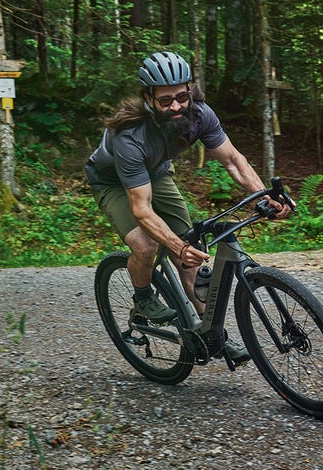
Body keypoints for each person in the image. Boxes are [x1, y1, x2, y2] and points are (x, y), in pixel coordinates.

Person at [85, 51, 290, 364]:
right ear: (148, 98)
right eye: (166, 100)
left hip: (155, 172)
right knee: (147, 244)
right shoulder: (129, 136)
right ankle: (142, 297)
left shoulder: (200, 115)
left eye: (182, 96)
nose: (177, 106)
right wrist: (176, 247)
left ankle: (212, 336)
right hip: (112, 182)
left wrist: (264, 197)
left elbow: (233, 160)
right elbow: (141, 211)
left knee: (191, 250)